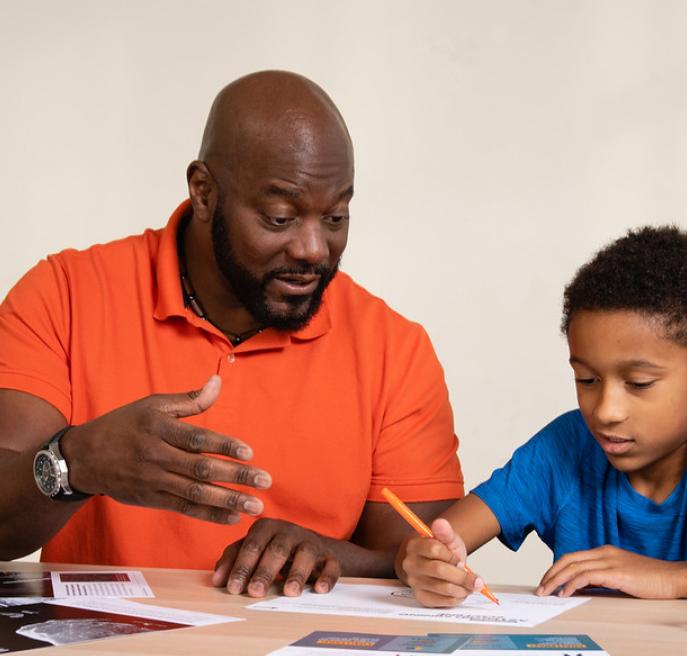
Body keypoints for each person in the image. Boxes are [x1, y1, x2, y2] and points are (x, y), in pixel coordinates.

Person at [0, 71, 464, 597]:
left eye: (335, 215)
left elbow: (423, 566)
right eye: (280, 217)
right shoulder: (64, 295)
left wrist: (329, 553)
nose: (314, 248)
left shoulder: (392, 349)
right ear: (204, 192)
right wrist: (75, 460)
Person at [398, 226, 687, 605]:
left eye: (639, 383)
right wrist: (426, 563)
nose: (605, 411)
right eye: (587, 379)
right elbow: (427, 543)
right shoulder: (567, 447)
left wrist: (670, 579)